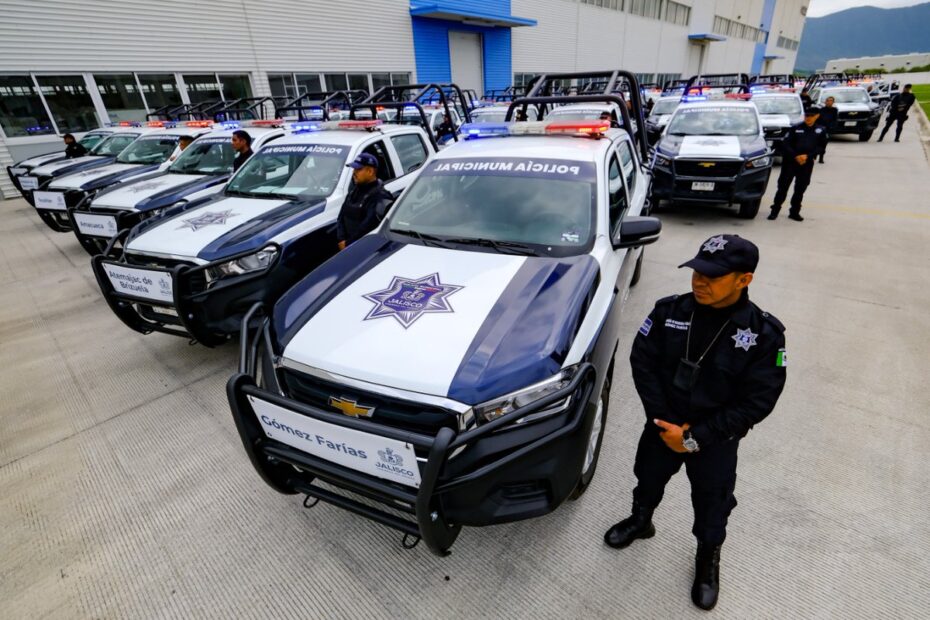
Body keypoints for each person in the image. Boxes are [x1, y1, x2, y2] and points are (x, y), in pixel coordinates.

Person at [604, 234, 786, 611]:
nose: (699, 281)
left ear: (744, 279)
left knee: (712, 501)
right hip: (663, 426)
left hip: (714, 439)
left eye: (713, 276)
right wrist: (666, 424)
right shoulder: (669, 311)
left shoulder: (763, 336)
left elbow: (758, 400)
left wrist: (693, 437)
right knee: (647, 477)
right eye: (697, 272)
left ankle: (707, 559)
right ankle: (641, 520)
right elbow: (643, 362)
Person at [767, 106, 827, 222]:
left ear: (817, 116)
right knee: (782, 187)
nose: (808, 118)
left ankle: (794, 212)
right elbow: (786, 144)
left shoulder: (821, 130)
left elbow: (821, 147)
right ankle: (775, 210)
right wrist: (796, 156)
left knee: (800, 189)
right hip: (790, 162)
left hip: (806, 163)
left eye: (811, 116)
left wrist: (807, 156)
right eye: (807, 115)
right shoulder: (795, 128)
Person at [336, 152, 394, 250]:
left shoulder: (380, 196)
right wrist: (341, 239)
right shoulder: (354, 191)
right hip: (347, 246)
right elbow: (341, 217)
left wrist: (348, 244)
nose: (354, 172)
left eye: (358, 169)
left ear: (370, 171)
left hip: (365, 248)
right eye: (354, 169)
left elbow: (367, 226)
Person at [815, 96, 838, 163]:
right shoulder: (821, 110)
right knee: (816, 143)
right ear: (825, 102)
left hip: (828, 130)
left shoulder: (834, 110)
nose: (829, 102)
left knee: (824, 144)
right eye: (828, 100)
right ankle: (814, 155)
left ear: (833, 102)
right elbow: (817, 119)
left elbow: (835, 120)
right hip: (820, 129)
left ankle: (821, 158)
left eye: (831, 101)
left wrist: (832, 127)